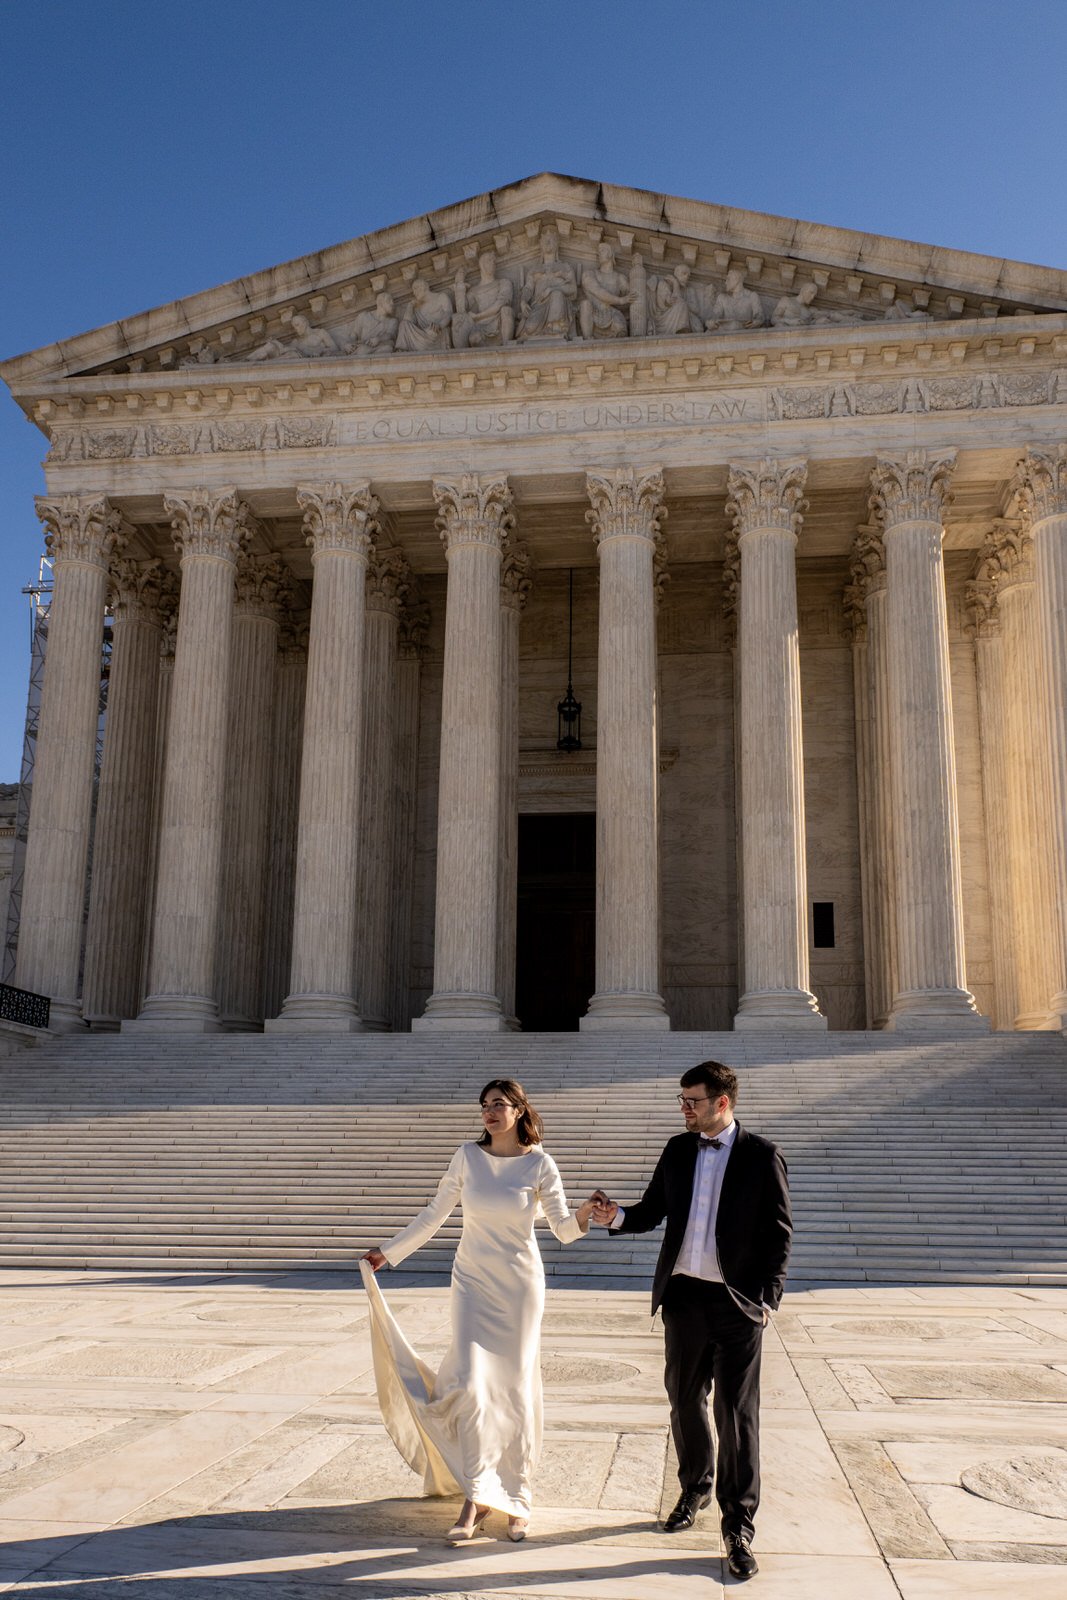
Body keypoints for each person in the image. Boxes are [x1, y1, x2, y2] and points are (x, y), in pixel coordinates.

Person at [361, 1077, 598, 1544]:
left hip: (520, 1287)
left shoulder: (540, 1164)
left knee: (513, 1390)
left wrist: (588, 1211)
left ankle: (518, 1495)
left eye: (498, 1105)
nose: (489, 1112)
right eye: (484, 1105)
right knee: (471, 1383)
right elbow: (434, 1213)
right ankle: (476, 1494)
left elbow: (564, 1230)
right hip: (472, 1282)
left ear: (519, 1110)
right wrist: (388, 1252)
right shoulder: (467, 1157)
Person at [592, 1059, 791, 1582]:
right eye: (681, 1100)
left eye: (692, 1101)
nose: (684, 1109)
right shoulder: (680, 1149)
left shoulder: (760, 1155)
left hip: (736, 1304)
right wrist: (614, 1215)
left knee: (735, 1413)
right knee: (684, 1401)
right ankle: (695, 1488)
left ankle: (738, 1522)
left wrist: (766, 1299)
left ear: (721, 1103)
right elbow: (653, 1210)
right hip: (683, 1300)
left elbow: (778, 1232)